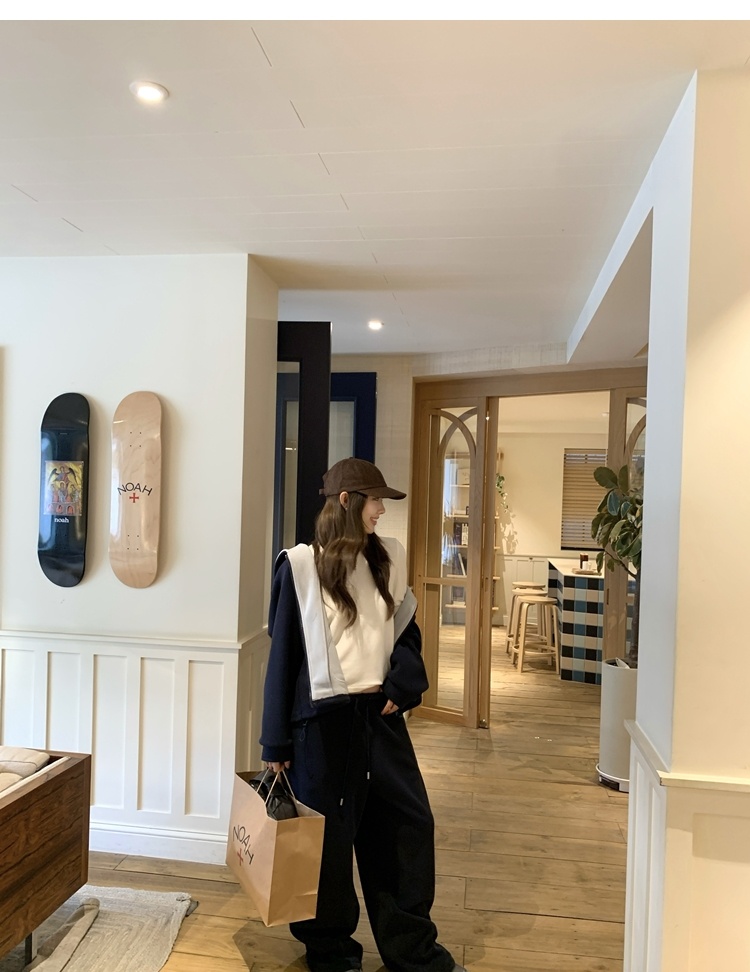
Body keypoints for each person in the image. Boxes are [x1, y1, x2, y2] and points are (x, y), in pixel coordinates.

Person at [260, 457, 464, 972]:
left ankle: (413, 952)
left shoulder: (389, 558)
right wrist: (275, 743)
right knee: (326, 849)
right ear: (347, 501)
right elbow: (283, 657)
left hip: (380, 719)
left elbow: (406, 632)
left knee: (407, 828)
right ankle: (332, 954)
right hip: (320, 727)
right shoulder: (299, 566)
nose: (382, 510)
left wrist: (403, 683)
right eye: (375, 500)